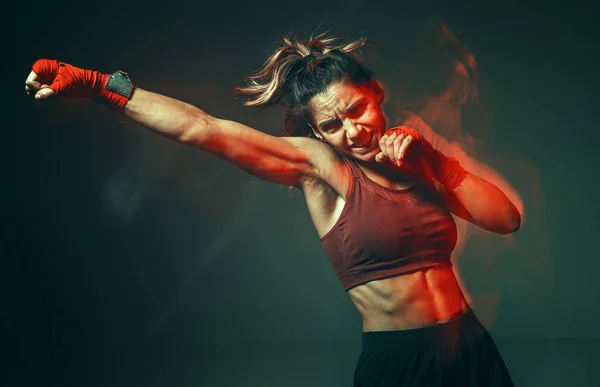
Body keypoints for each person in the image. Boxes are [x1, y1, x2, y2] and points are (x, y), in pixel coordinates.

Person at [24, 33, 520, 386]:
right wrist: (96, 83)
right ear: (318, 133)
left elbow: (506, 220)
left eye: (357, 109)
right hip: (401, 366)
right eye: (332, 125)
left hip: (472, 349)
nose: (353, 131)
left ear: (377, 93)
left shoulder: (413, 153)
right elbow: (204, 129)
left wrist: (433, 159)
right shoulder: (320, 167)